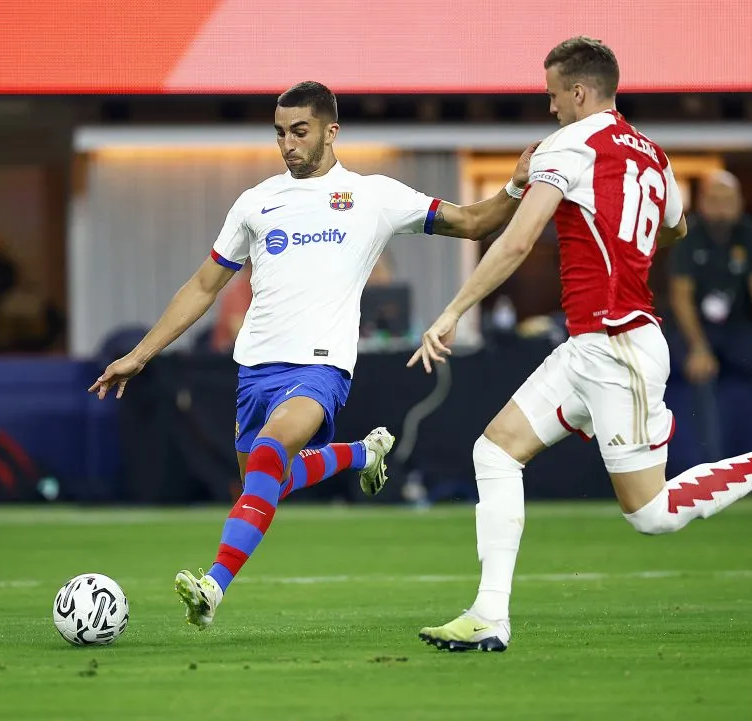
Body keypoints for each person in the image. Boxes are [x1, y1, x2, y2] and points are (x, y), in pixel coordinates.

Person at [407, 37, 752, 653]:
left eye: (552, 96)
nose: (549, 110)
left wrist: (453, 310)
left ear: (578, 92)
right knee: (494, 453)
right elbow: (673, 226)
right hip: (591, 343)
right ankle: (490, 615)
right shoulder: (655, 156)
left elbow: (516, 242)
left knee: (651, 515)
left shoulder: (570, 144)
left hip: (618, 344)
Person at [89, 81, 535, 628]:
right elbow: (203, 287)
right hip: (254, 371)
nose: (288, 144)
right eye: (280, 133)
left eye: (300, 131)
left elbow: (473, 221)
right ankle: (361, 454)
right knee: (267, 482)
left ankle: (212, 588)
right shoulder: (255, 203)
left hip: (321, 367)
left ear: (331, 131)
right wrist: (141, 354)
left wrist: (513, 187)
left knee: (273, 451)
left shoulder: (373, 196)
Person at [668, 170, 752, 462]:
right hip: (693, 331)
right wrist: (698, 348)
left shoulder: (748, 231)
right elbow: (681, 297)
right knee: (702, 374)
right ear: (702, 203)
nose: (721, 207)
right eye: (714, 200)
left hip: (737, 329)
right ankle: (711, 471)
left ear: (740, 203)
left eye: (728, 200)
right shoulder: (687, 231)